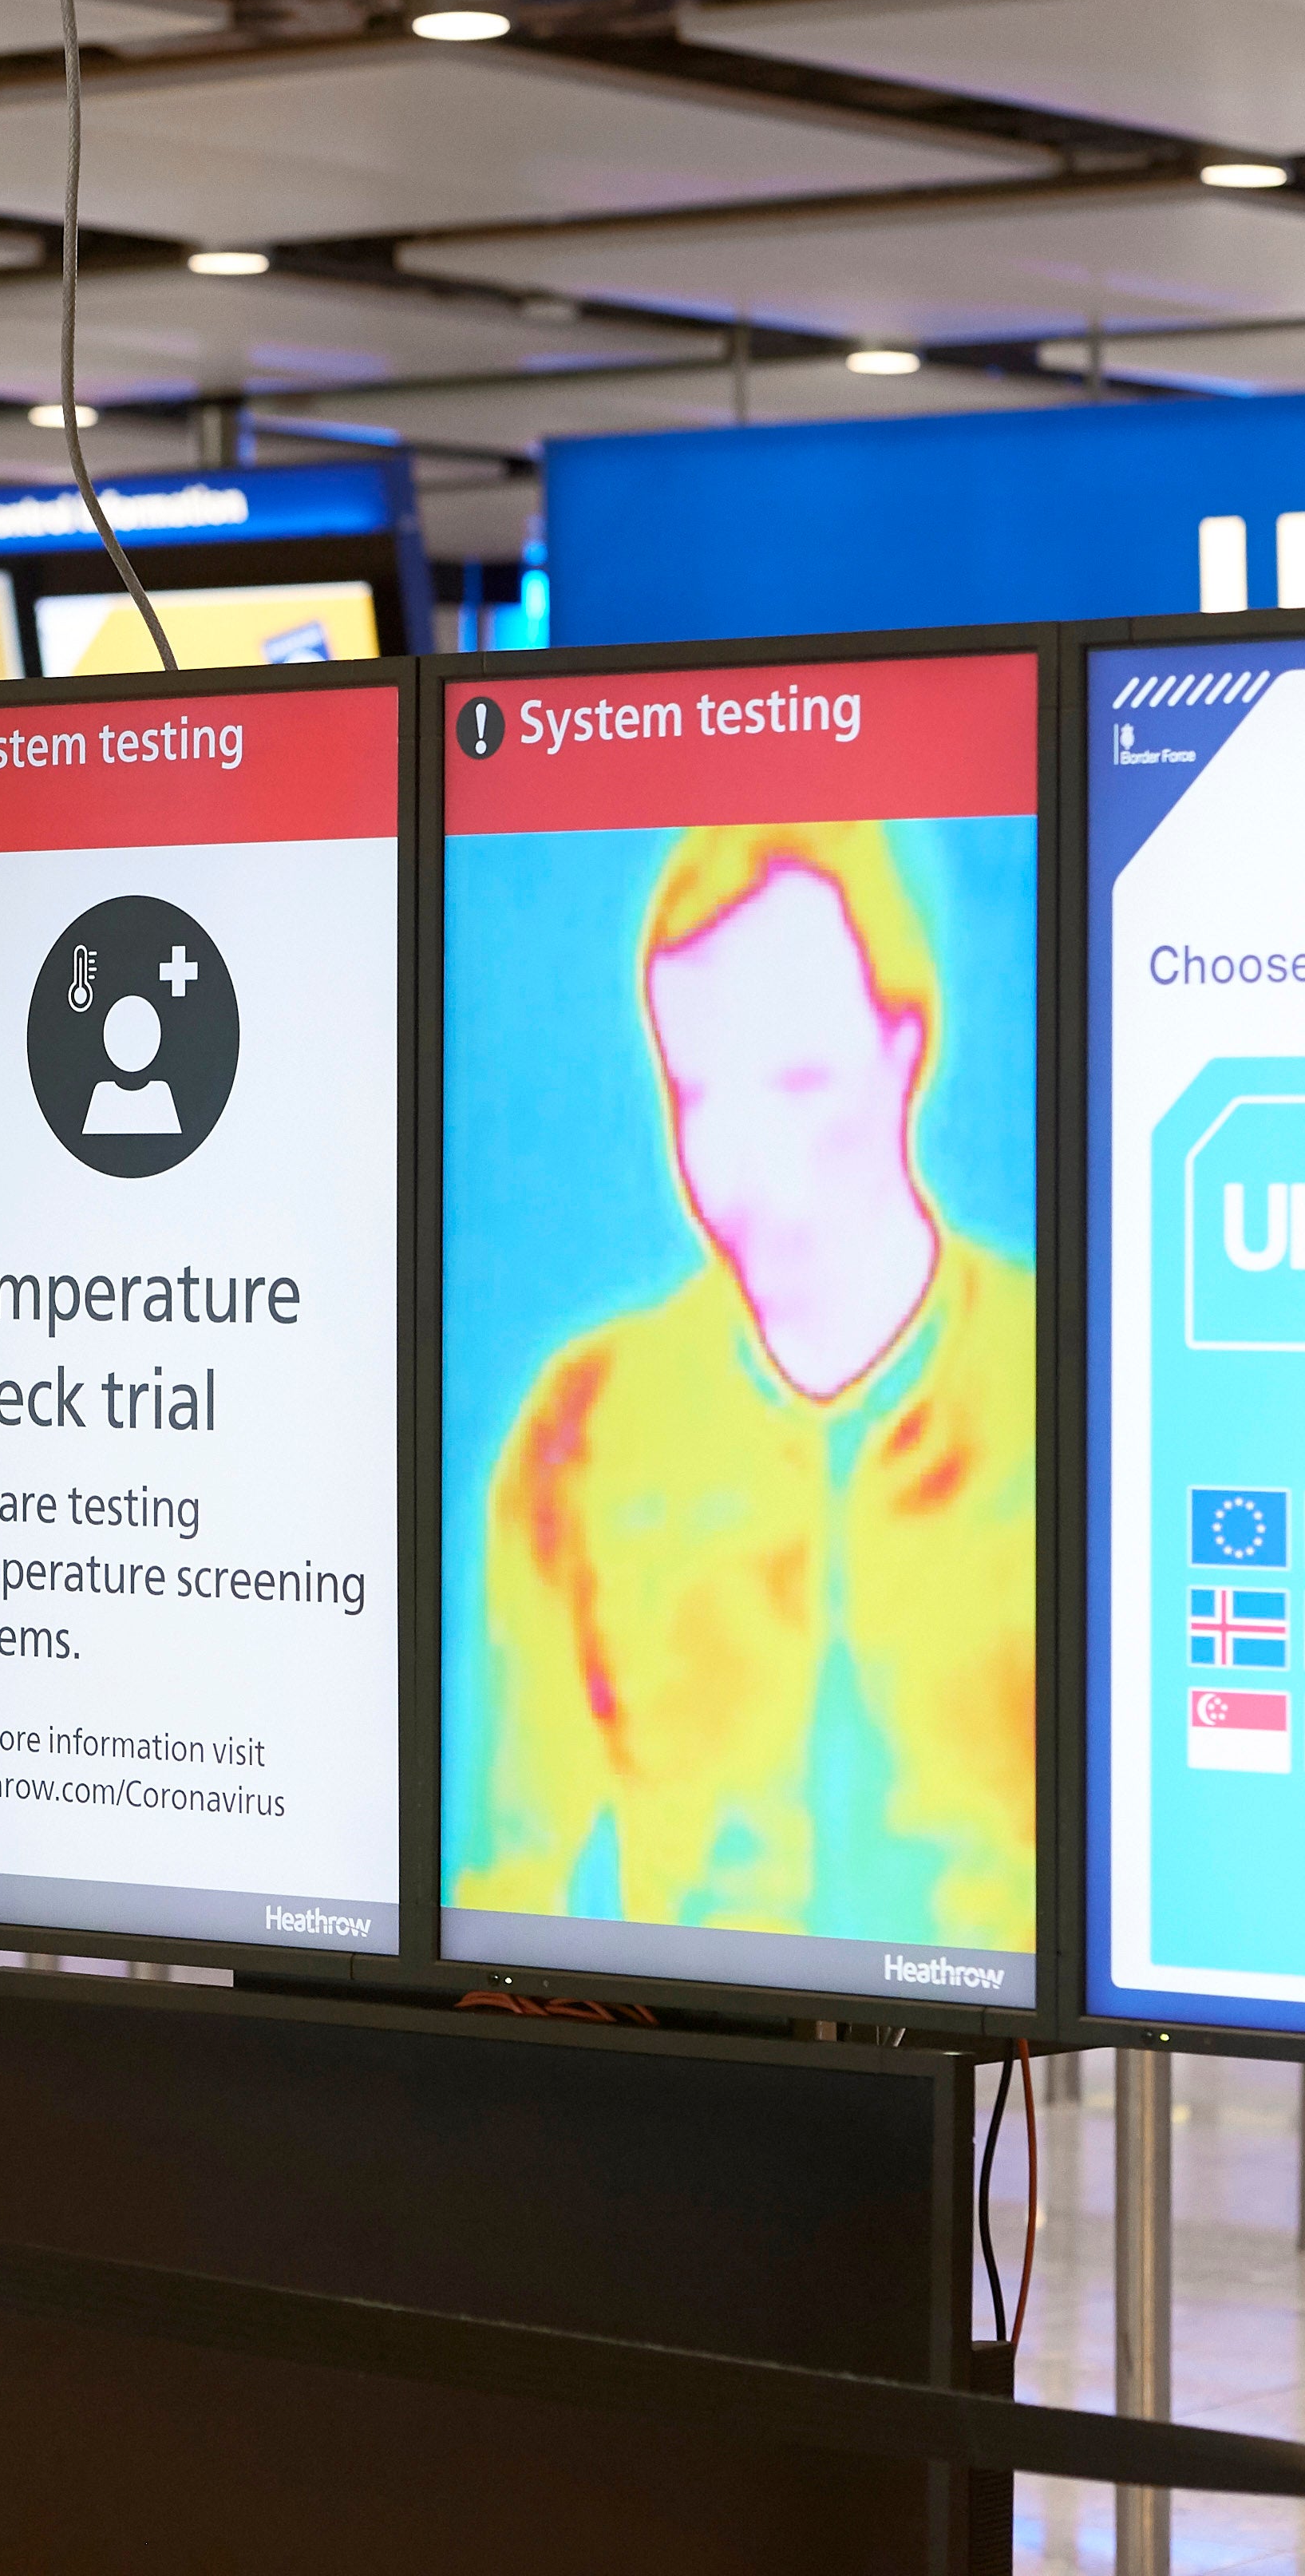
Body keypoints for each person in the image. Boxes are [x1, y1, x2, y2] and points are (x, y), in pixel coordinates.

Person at [457, 820, 1035, 1956]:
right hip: (680, 2089)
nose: (746, 1156)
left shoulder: (1072, 1394)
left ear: (904, 1049)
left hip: (1038, 2087)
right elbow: (502, 1880)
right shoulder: (583, 1429)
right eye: (698, 1090)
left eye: (799, 1081)